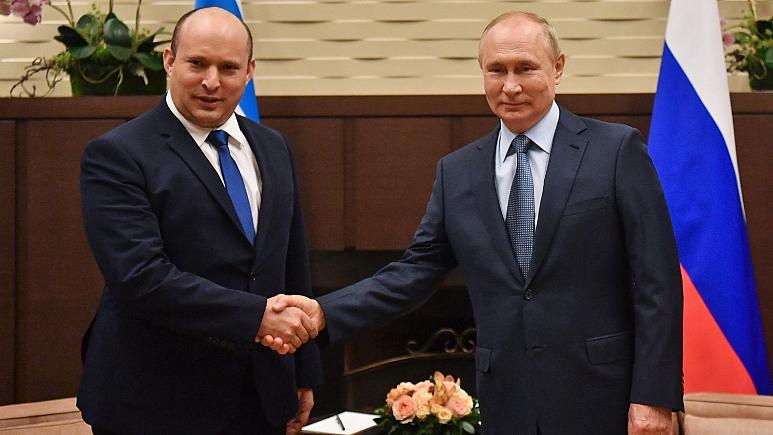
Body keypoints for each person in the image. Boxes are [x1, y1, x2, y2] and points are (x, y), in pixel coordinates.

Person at [263, 11, 683, 435]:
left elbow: (657, 281)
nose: (510, 86)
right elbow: (413, 273)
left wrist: (654, 396)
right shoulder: (458, 171)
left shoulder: (615, 150)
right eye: (497, 70)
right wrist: (324, 313)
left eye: (526, 68)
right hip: (507, 404)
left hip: (603, 399)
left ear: (558, 68)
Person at [77, 7, 322, 434]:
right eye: (197, 63)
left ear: (249, 72)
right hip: (154, 402)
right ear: (169, 61)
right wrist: (257, 316)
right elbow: (140, 278)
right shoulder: (117, 154)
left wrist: (302, 373)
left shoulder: (274, 147)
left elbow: (291, 263)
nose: (212, 81)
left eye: (228, 68)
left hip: (261, 395)